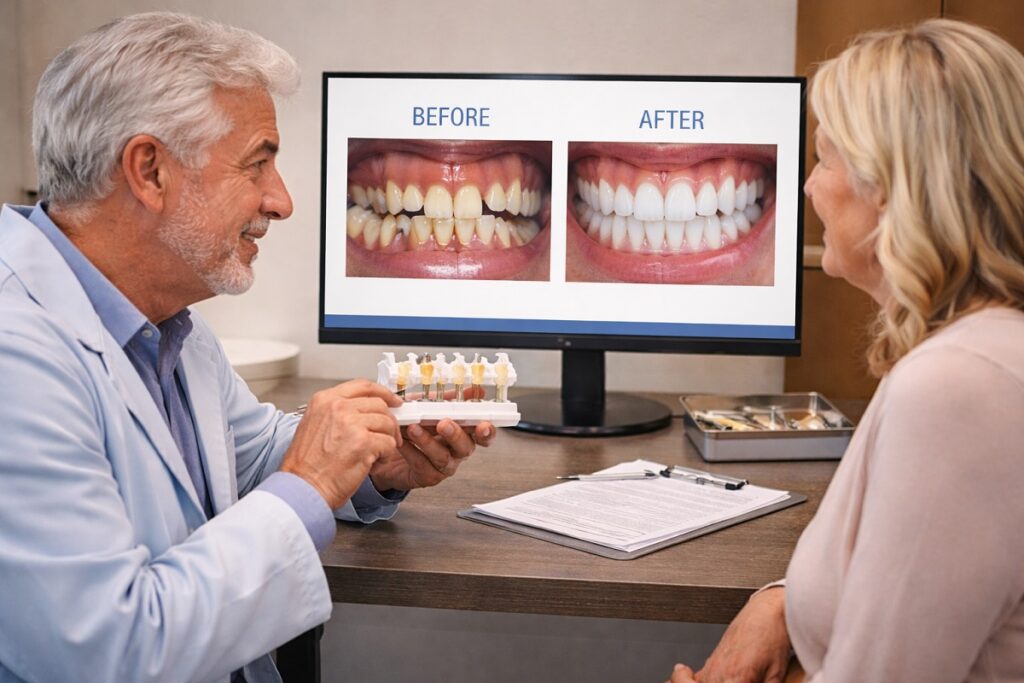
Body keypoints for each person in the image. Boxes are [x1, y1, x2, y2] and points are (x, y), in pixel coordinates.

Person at [0, 12, 494, 683]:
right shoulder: (18, 355)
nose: (282, 201)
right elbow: (107, 651)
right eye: (258, 163)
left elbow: (252, 458)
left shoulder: (165, 320)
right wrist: (311, 482)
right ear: (149, 170)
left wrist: (376, 460)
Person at [667, 18, 1024, 683]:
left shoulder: (958, 389)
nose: (808, 187)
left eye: (823, 158)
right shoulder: (970, 354)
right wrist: (784, 601)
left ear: (890, 183)